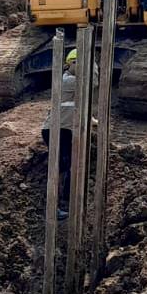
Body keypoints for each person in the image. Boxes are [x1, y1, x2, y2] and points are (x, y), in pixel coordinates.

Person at [41, 48, 98, 220]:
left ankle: (66, 197)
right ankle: (53, 208)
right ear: (69, 64)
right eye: (77, 62)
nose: (81, 66)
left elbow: (76, 105)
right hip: (58, 129)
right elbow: (93, 82)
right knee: (59, 166)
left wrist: (92, 120)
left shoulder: (70, 81)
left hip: (64, 128)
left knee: (69, 164)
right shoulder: (69, 80)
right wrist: (93, 62)